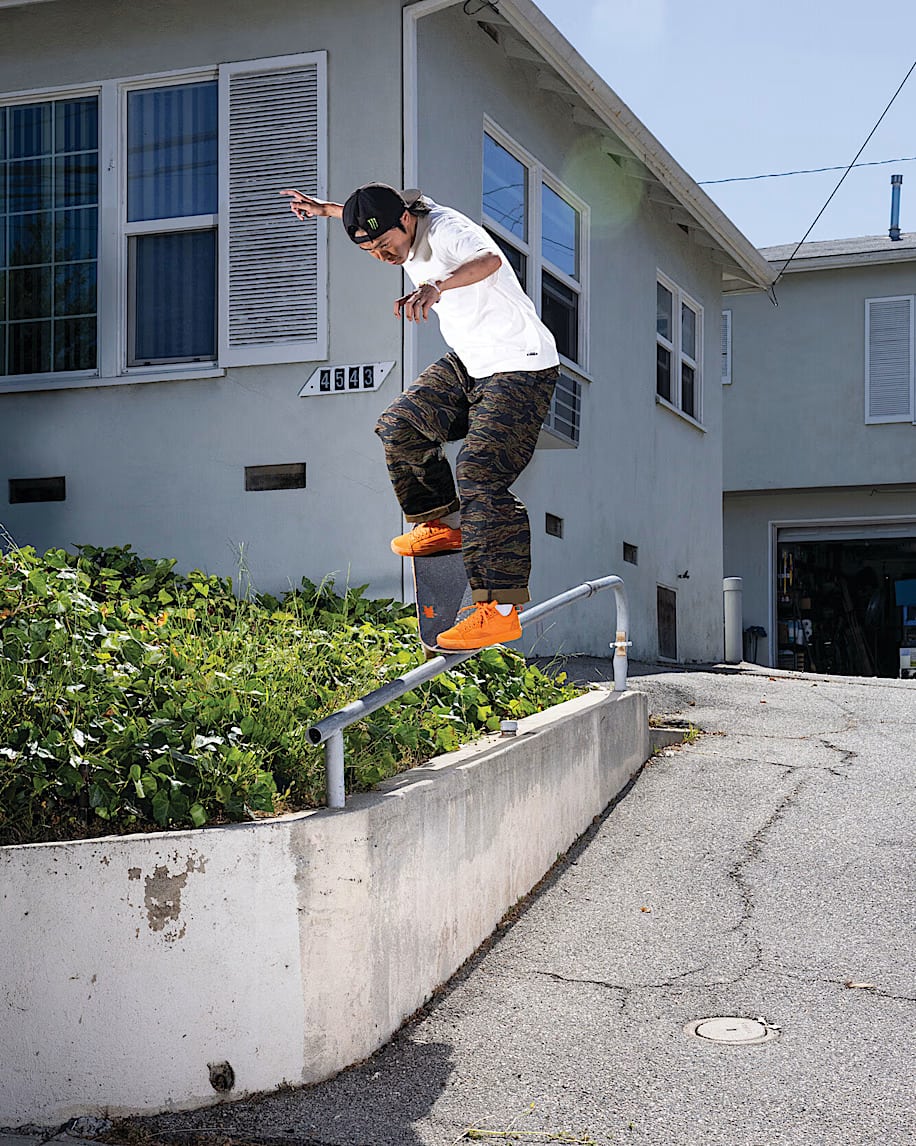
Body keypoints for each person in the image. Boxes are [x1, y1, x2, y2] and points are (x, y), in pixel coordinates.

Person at [280, 182, 560, 650]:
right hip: (471, 363)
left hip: (520, 367)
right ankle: (444, 525)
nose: (384, 257)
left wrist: (436, 286)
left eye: (387, 246)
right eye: (371, 252)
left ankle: (501, 608)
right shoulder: (390, 219)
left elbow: (489, 261)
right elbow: (366, 209)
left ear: (406, 222)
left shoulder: (448, 230)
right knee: (401, 427)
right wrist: (327, 209)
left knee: (481, 473)